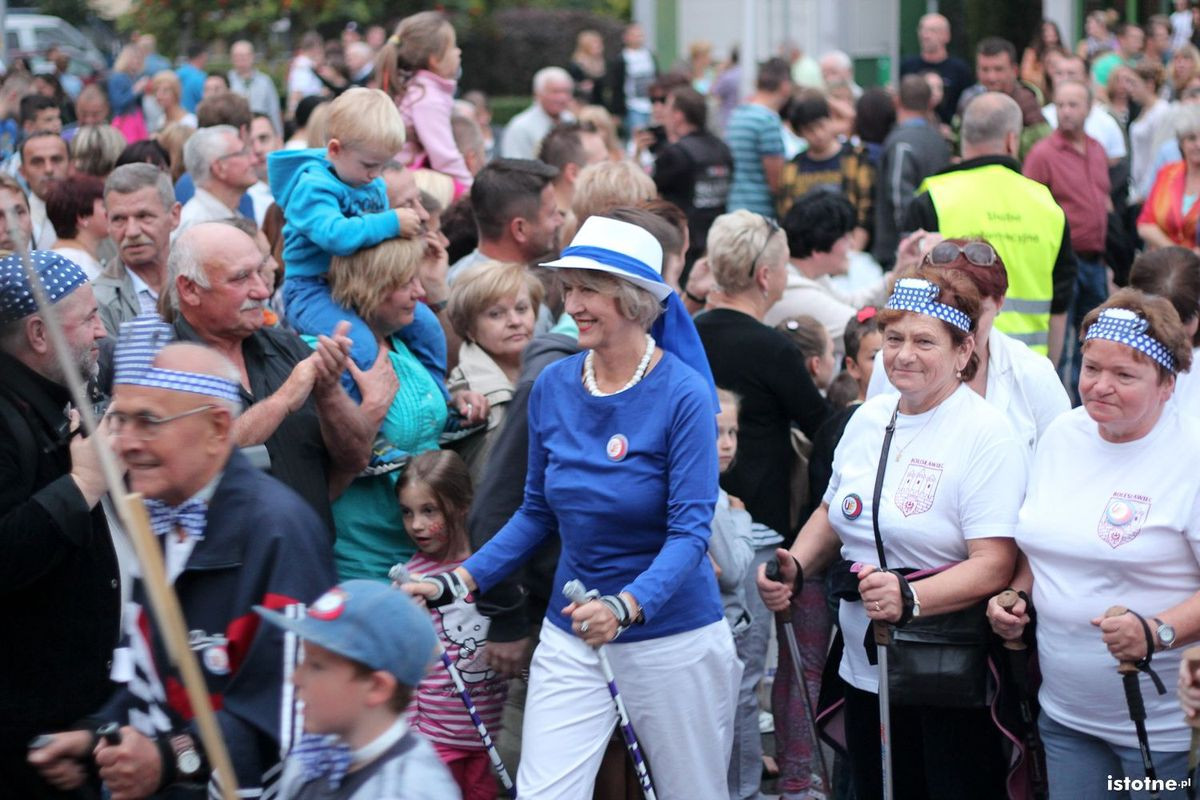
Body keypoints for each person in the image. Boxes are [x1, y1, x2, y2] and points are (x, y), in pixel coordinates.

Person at [404, 215, 736, 798]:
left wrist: (627, 606)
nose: (572, 303)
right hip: (571, 631)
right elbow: (535, 512)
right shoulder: (555, 383)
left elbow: (689, 532)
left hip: (671, 635)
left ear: (633, 302)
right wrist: (457, 581)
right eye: (570, 287)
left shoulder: (682, 391)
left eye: (589, 289)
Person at [32, 325, 335, 798]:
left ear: (217, 428)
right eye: (119, 420)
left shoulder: (278, 530)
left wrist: (172, 757)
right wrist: (98, 740)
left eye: (149, 422)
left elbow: (294, 709)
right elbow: (147, 683)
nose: (126, 443)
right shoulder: (157, 520)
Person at [761, 266, 1028, 800]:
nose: (904, 354)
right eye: (894, 338)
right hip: (865, 661)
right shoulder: (868, 418)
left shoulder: (988, 433)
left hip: (944, 668)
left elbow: (995, 562)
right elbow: (836, 509)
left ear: (963, 349)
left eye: (925, 341)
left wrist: (911, 596)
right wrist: (795, 563)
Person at [988, 289, 1200, 800]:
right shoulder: (1063, 434)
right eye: (1091, 368)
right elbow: (1047, 543)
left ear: (1168, 383)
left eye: (1125, 376)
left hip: (1163, 730)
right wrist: (1014, 596)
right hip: (1065, 717)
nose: (1100, 386)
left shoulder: (1190, 456)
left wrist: (1156, 631)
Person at [693, 210, 829, 800]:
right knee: (742, 678)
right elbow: (825, 429)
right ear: (766, 276)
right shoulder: (773, 349)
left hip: (689, 526)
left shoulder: (685, 335)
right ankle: (740, 787)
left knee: (710, 678)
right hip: (754, 535)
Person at [156, 221, 378, 532]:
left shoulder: (286, 346)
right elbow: (195, 466)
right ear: (190, 289)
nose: (262, 291)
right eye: (241, 278)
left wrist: (329, 393)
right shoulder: (163, 369)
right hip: (227, 573)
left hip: (308, 560)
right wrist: (284, 400)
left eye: (260, 272)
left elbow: (356, 458)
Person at [0, 252, 119, 797]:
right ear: (38, 335)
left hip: (76, 715)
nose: (102, 331)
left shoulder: (55, 389)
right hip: (27, 735)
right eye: (88, 318)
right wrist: (81, 487)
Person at [325, 235, 486, 580]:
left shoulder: (400, 340)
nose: (418, 292)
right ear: (370, 286)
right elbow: (328, 469)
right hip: (368, 559)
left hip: (429, 551)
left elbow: (420, 416)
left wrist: (453, 403)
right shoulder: (335, 353)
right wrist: (370, 410)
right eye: (405, 283)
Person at [268, 87, 420, 395]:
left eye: (382, 165)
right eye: (368, 165)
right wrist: (392, 221)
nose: (376, 176)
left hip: (358, 283)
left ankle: (441, 404)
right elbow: (336, 235)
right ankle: (364, 426)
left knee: (426, 328)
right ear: (335, 149)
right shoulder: (312, 187)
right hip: (310, 289)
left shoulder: (370, 181)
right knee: (358, 347)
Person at [906, 92, 1075, 363]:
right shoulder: (1047, 203)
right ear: (1011, 140)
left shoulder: (934, 196)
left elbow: (908, 289)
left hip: (952, 363)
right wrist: (1048, 369)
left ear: (964, 138)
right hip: (1028, 363)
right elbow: (1060, 304)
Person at [868, 238, 1070, 462]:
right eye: (951, 311)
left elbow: (1061, 464)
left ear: (1000, 302)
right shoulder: (891, 365)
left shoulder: (1034, 374)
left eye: (976, 312)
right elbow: (872, 450)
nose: (962, 326)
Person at [256, 579, 459, 798]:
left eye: (316, 666)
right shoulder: (313, 753)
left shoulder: (408, 790)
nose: (295, 678)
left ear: (376, 687)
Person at [399, 450, 507, 799]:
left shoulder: (491, 569)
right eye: (407, 512)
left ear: (463, 504)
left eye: (428, 511)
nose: (416, 524)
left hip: (488, 737)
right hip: (432, 741)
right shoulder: (411, 581)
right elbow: (401, 668)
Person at [1024, 79, 1112, 397]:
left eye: (1073, 104)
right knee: (1061, 346)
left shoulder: (1097, 149)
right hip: (1063, 261)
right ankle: (1060, 405)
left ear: (1089, 108)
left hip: (1094, 260)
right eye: (1060, 105)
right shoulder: (1043, 153)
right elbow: (1029, 205)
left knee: (1096, 340)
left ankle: (1091, 404)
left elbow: (1104, 200)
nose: (1065, 112)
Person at [446, 259, 542, 483]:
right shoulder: (465, 393)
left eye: (522, 308)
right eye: (496, 314)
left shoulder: (551, 370)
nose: (515, 321)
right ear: (469, 328)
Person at [377, 12, 472, 188]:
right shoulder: (428, 97)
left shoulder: (415, 88)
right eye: (453, 47)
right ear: (435, 60)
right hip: (408, 184)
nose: (458, 52)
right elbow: (444, 157)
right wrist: (471, 191)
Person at [777, 90, 875, 244]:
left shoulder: (855, 158)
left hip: (848, 243)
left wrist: (854, 251)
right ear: (800, 133)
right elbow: (787, 214)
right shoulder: (792, 167)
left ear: (831, 120)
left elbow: (865, 209)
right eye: (809, 130)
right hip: (808, 248)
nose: (818, 134)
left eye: (821, 125)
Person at [874, 75, 952, 269]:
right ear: (930, 102)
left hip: (905, 252)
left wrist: (909, 243)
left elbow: (900, 196)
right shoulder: (939, 140)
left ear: (897, 101)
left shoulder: (901, 143)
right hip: (937, 244)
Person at [446, 158, 563, 287]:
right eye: (551, 213)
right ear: (520, 229)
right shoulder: (485, 295)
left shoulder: (457, 279)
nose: (560, 220)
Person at [652, 85, 733, 269]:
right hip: (715, 241)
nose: (663, 112)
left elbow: (651, 193)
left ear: (678, 115)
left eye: (667, 107)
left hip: (682, 246)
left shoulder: (676, 153)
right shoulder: (722, 148)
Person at [93, 164, 180, 335]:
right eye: (119, 219)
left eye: (144, 216)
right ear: (107, 221)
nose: (132, 231)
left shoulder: (202, 282)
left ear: (174, 215)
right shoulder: (96, 303)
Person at [711, 387, 755, 641]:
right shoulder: (713, 501)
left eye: (732, 432)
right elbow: (732, 573)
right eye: (717, 433)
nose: (728, 444)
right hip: (720, 627)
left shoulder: (716, 492)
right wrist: (740, 517)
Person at [957, 37, 1049, 158]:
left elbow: (1043, 145)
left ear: (1014, 70)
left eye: (998, 69)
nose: (991, 77)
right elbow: (957, 140)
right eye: (985, 69)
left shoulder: (1027, 102)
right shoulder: (969, 101)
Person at [726, 57, 791, 217]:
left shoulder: (738, 114)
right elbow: (776, 181)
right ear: (785, 86)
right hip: (760, 214)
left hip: (734, 207)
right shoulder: (767, 121)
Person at [1040, 53, 1129, 165]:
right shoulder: (1041, 117)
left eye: (1071, 73)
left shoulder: (1106, 121)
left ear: (1087, 79)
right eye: (1059, 73)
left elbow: (1116, 164)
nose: (1064, 79)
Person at [175, 125, 258, 237]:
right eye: (242, 153)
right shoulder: (197, 227)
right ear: (219, 168)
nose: (254, 160)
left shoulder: (231, 215)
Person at [1138, 110, 1200, 248]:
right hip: (1165, 263)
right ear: (1181, 143)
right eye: (1191, 138)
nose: (1198, 145)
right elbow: (1145, 223)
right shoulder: (1168, 172)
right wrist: (1177, 252)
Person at [900, 13, 973, 125]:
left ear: (947, 36)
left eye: (932, 30)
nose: (925, 35)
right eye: (922, 29)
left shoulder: (960, 69)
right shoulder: (908, 66)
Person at [501, 68, 575, 161]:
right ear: (538, 94)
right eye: (555, 92)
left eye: (566, 91)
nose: (562, 97)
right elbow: (515, 168)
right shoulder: (520, 127)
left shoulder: (571, 119)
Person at [1128, 63, 1172, 206]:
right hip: (1139, 188)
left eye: (1134, 83)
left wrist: (1145, 192)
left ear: (1150, 85)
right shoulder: (1143, 110)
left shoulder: (1161, 111)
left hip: (1152, 192)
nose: (1130, 89)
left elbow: (1158, 155)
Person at [20, 131, 69, 247]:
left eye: (56, 159)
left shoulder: (93, 214)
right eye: (37, 162)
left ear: (71, 165)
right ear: (23, 173)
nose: (48, 169)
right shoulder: (14, 224)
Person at [609, 23, 658, 135]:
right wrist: (616, 111)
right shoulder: (622, 58)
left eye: (640, 35)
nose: (638, 38)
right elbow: (616, 86)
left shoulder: (649, 55)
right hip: (632, 106)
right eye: (634, 35)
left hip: (650, 105)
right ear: (626, 37)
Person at [228, 41, 283, 139]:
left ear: (252, 56)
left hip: (262, 132)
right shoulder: (227, 81)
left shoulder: (265, 81)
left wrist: (279, 136)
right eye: (237, 56)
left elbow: (274, 110)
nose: (241, 59)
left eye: (244, 55)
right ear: (232, 58)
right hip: (235, 133)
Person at [1021, 19, 1064, 99]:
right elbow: (1025, 74)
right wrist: (1044, 79)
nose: (1050, 35)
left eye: (1052, 32)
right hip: (1040, 90)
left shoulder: (1063, 51)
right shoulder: (1032, 52)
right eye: (1046, 32)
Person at [567, 30, 607, 107]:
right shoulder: (576, 65)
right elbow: (569, 85)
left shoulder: (602, 62)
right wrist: (579, 87)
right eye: (595, 43)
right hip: (582, 105)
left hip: (599, 104)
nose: (600, 46)